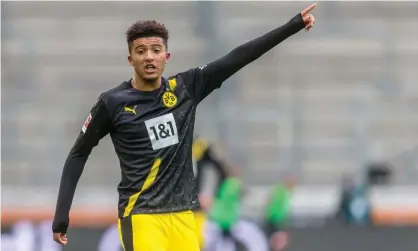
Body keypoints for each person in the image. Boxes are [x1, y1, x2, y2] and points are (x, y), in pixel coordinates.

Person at [52, 3, 317, 251]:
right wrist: (62, 214)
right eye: (140, 50)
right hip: (141, 215)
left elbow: (238, 57)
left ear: (166, 56)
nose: (149, 57)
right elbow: (78, 153)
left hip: (184, 215)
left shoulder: (185, 89)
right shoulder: (112, 103)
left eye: (155, 50)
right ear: (130, 59)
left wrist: (293, 25)